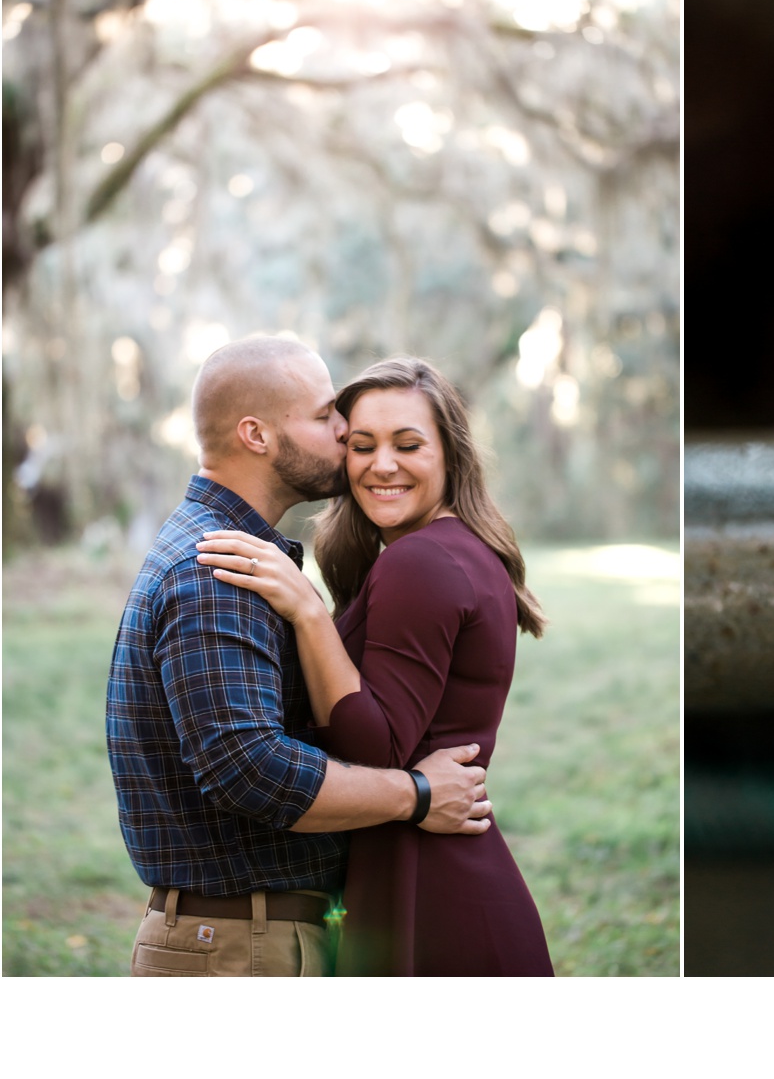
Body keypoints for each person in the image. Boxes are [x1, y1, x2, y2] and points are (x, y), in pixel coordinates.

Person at [108, 336, 494, 977]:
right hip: (239, 946)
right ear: (256, 435)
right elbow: (248, 766)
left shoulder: (236, 556)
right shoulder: (217, 569)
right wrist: (419, 794)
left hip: (248, 936)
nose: (345, 432)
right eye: (324, 416)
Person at [197, 356, 553, 974]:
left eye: (408, 444)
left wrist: (308, 614)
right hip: (430, 870)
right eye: (362, 445)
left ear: (451, 454)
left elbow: (377, 746)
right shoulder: (453, 550)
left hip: (432, 891)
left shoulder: (421, 562)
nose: (381, 465)